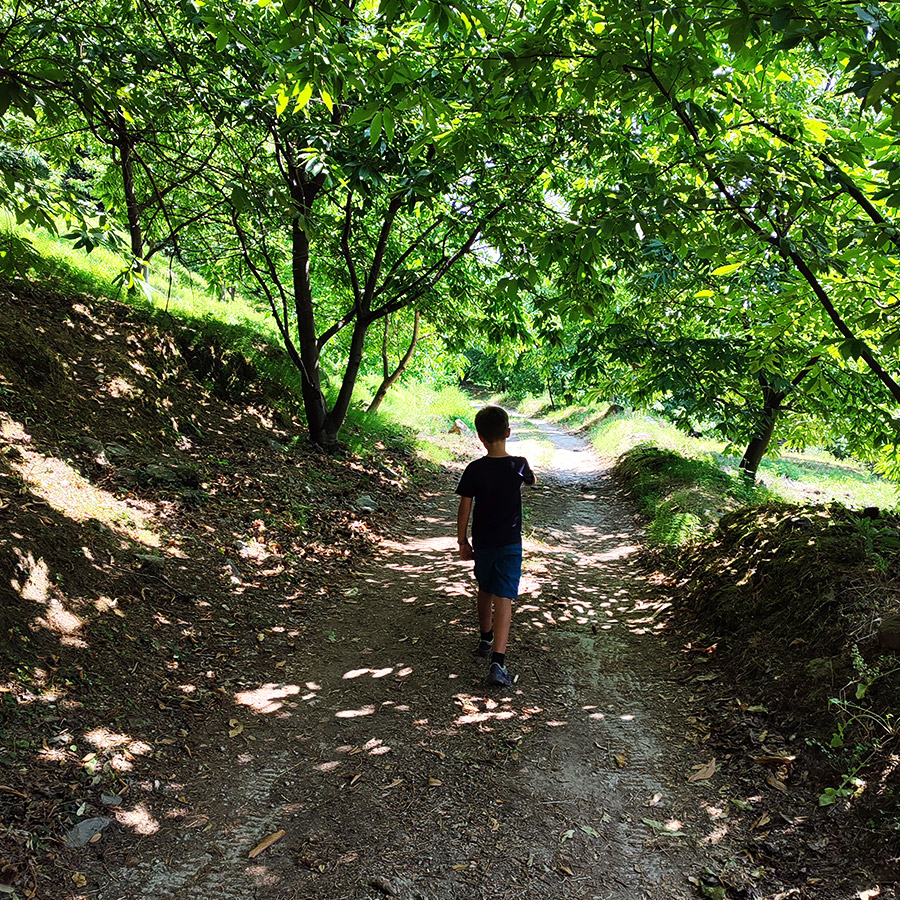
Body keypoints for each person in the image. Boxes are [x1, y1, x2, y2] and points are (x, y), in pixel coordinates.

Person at [456, 406, 536, 687]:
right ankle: (498, 663)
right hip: (510, 542)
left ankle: (485, 638)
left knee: (485, 588)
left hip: (484, 542)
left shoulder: (475, 469)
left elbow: (464, 506)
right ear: (508, 433)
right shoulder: (519, 464)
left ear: (480, 437)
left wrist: (462, 541)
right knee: (504, 596)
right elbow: (532, 480)